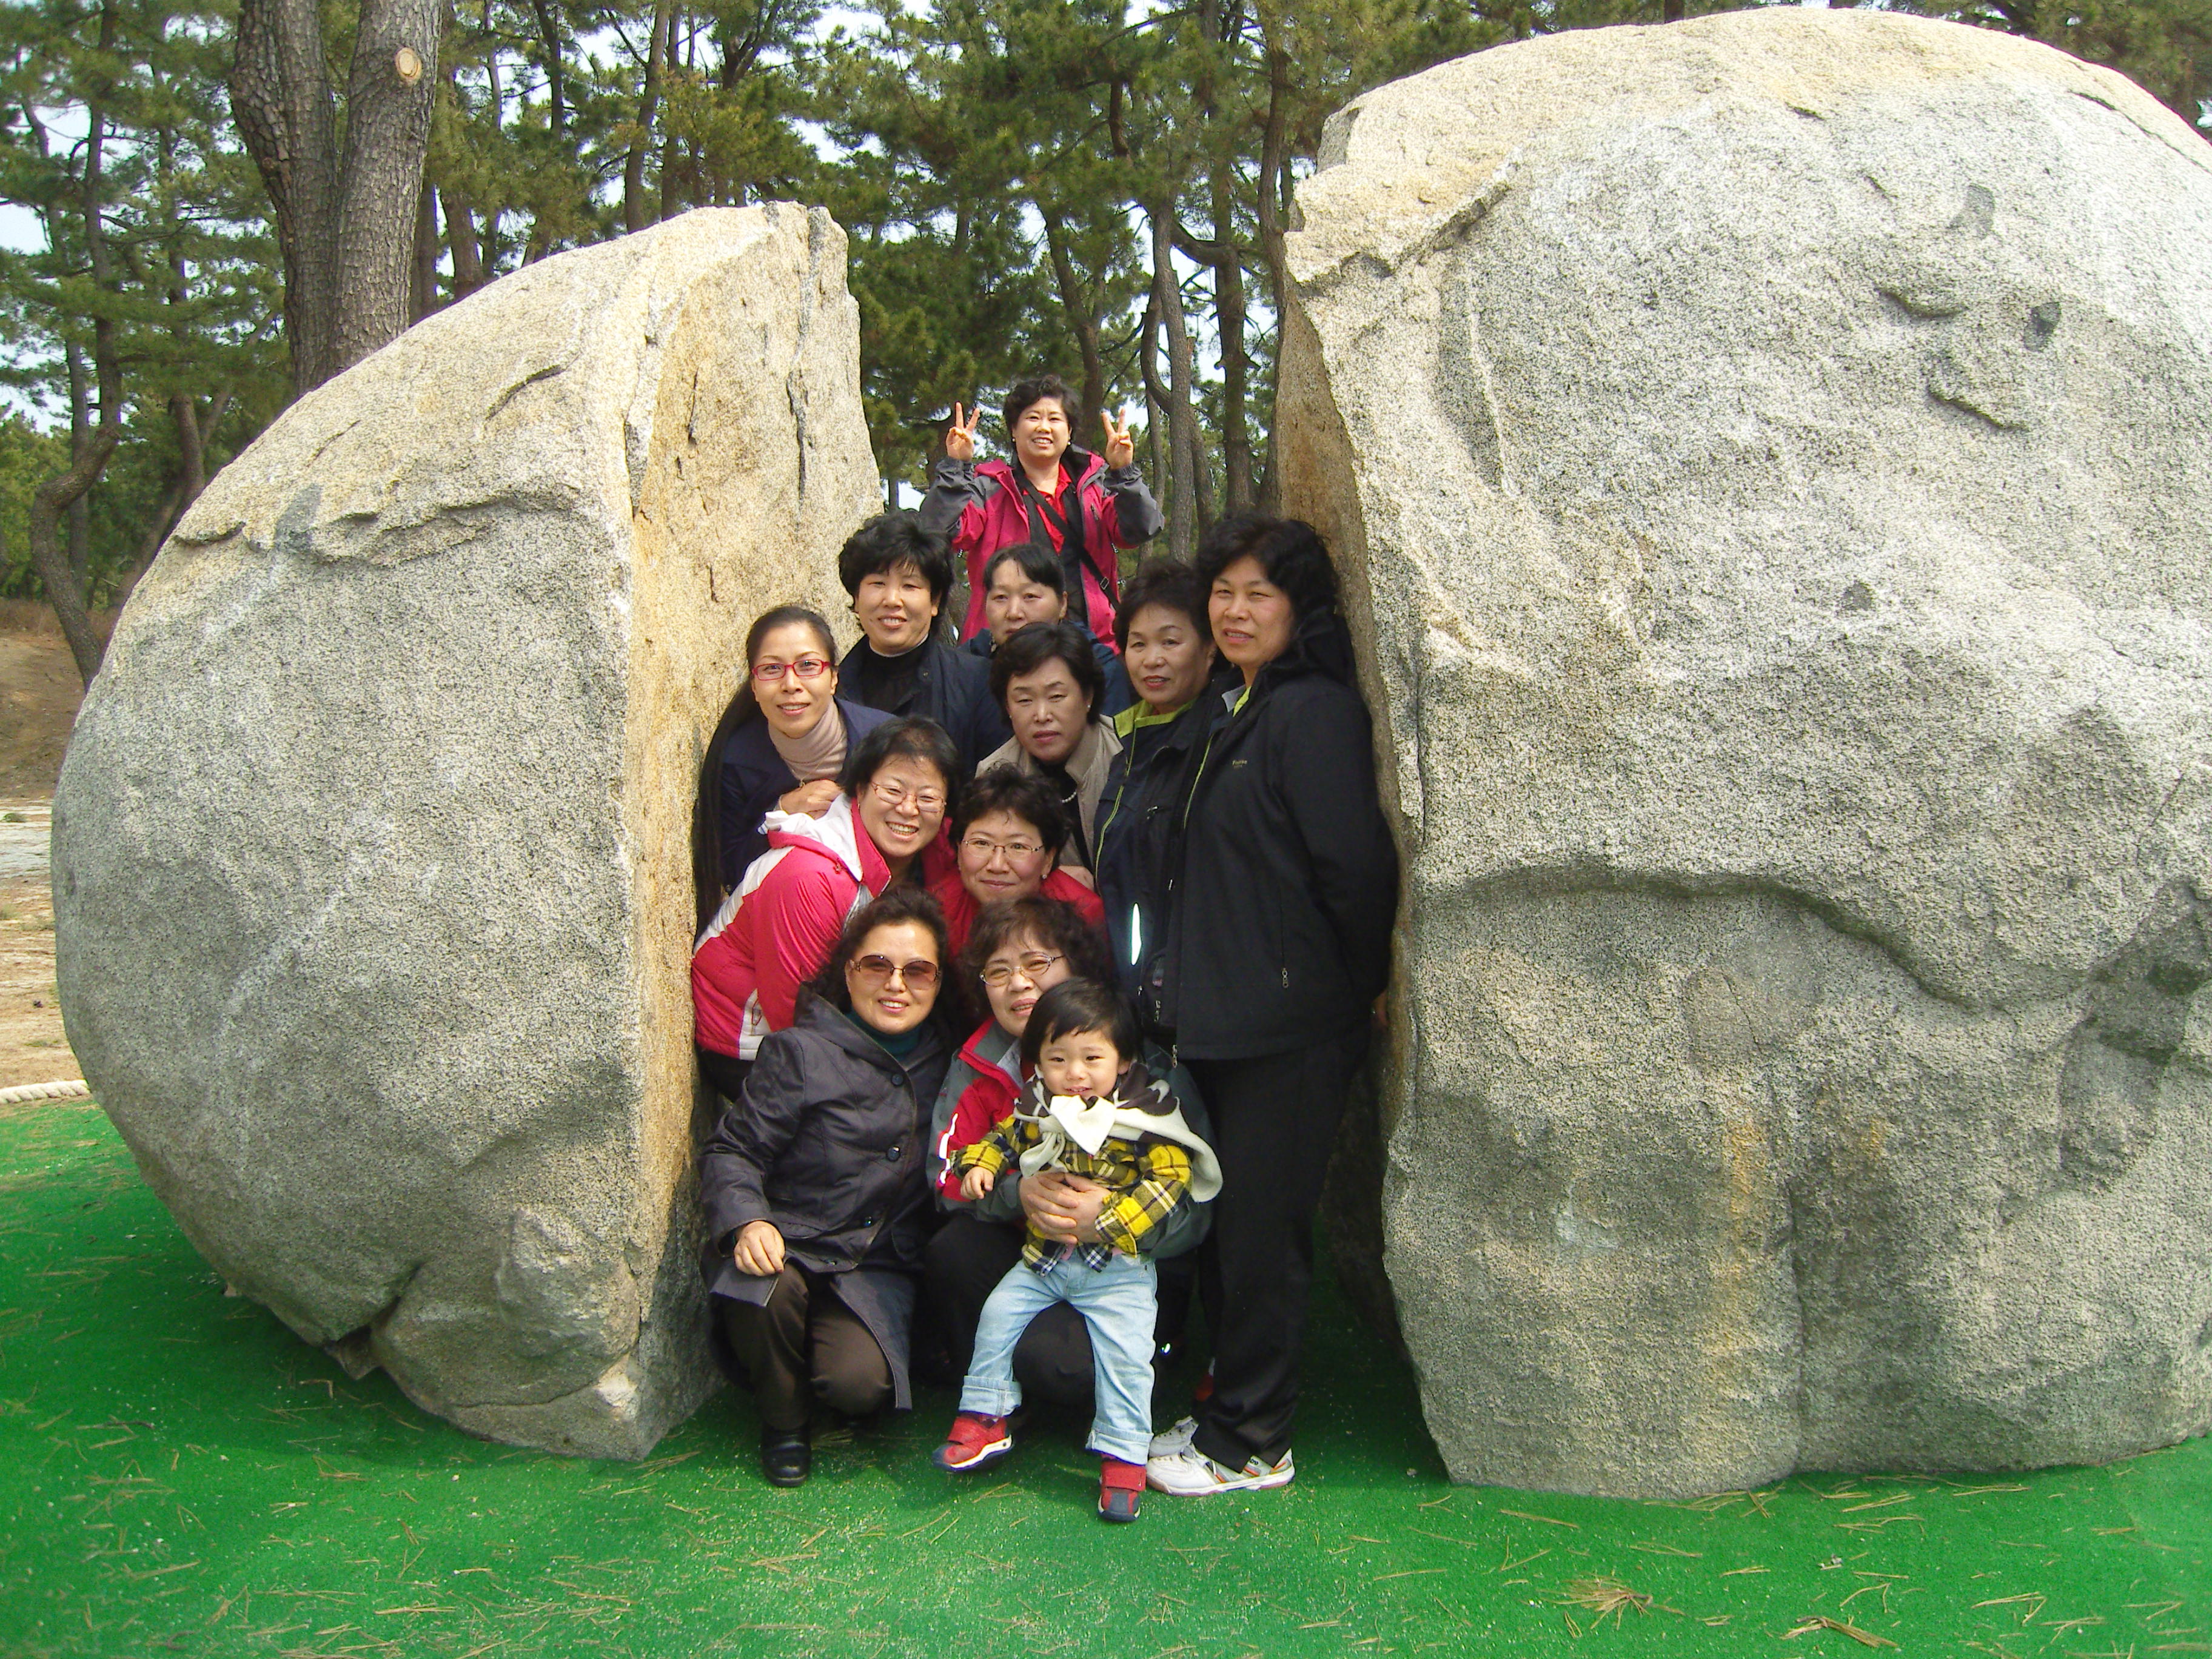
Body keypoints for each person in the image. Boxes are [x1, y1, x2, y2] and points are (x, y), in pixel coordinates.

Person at [1143, 514, 1399, 1500]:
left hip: (1291, 1027)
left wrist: (1359, 982)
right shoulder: (1237, 707)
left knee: (1261, 1237)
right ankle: (1227, 1406)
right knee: (1230, 1231)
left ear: (1300, 607)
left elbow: (1355, 870)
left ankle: (1252, 1442)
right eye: (1224, 592)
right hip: (1227, 1019)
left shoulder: (1313, 713)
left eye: (1260, 592)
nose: (1236, 610)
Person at [697, 891, 957, 1486]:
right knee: (762, 1292)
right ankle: (783, 1423)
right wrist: (748, 1222)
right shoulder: (799, 1052)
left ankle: (821, 1354)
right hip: (789, 1248)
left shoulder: (951, 1064)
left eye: (918, 970)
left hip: (873, 1268)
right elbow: (732, 1150)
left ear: (939, 982)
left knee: (858, 1389)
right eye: (877, 965)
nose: (896, 985)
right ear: (849, 971)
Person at [936, 980, 1220, 1523]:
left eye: (1092, 1058)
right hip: (1043, 1260)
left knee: (1127, 1358)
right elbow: (1004, 1138)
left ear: (1123, 1060)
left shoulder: (1145, 1113)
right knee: (997, 1316)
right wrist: (984, 1167)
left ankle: (1124, 1456)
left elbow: (1171, 1177)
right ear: (1038, 1062)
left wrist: (1110, 1220)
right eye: (1058, 1059)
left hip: (1118, 1269)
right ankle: (985, 1415)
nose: (1075, 1073)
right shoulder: (1040, 1105)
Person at [921, 897, 1211, 1415]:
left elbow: (1198, 1209)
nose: (1018, 983)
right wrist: (1019, 1193)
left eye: (1037, 963)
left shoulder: (1142, 1067)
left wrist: (1113, 1218)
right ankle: (993, 1400)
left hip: (1129, 1264)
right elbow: (946, 1176)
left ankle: (1114, 1370)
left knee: (1067, 1371)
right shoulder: (978, 1061)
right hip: (1033, 1255)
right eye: (998, 971)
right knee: (953, 1250)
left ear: (1076, 968)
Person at [691, 717, 957, 1102]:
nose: (908, 809)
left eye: (928, 798)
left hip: (839, 1016)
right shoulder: (809, 875)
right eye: (893, 790)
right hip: (751, 1045)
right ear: (860, 788)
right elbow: (794, 1012)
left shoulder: (930, 854)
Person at [922, 374, 1163, 651]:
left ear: (1069, 432)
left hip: (1091, 649)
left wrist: (1124, 472)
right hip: (1005, 650)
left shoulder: (1094, 487)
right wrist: (956, 467)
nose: (1044, 427)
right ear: (1014, 429)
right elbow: (940, 533)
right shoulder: (989, 489)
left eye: (1055, 419)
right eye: (1033, 418)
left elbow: (1140, 529)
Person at [695, 605, 891, 921]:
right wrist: (780, 812)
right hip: (785, 918)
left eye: (808, 666)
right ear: (754, 685)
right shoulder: (736, 761)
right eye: (772, 669)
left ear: (833, 677)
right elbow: (730, 870)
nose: (791, 684)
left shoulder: (887, 741)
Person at [1090, 559, 1222, 1025]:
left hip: (1195, 999)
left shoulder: (1220, 742)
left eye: (1170, 641)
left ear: (1209, 648)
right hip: (1136, 994)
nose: (1152, 659)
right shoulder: (1129, 744)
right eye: (1138, 643)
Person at [835, 511, 1007, 774]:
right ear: (856, 599)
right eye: (878, 583)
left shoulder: (979, 683)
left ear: (935, 601)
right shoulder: (830, 688)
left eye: (910, 586)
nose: (892, 600)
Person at [979, 620, 1122, 871]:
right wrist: (1054, 880)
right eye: (1024, 700)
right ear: (1007, 706)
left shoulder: (1127, 754)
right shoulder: (994, 774)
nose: (1042, 715)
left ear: (1088, 695)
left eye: (1056, 697)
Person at [928, 765, 1105, 959]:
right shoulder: (936, 911)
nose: (997, 865)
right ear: (959, 850)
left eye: (1018, 847)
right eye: (981, 843)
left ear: (1048, 859)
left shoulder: (1083, 916)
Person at [965, 541, 1130, 717]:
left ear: (1062, 604)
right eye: (1001, 597)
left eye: (1030, 596)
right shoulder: (966, 667)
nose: (1013, 613)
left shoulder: (1098, 669)